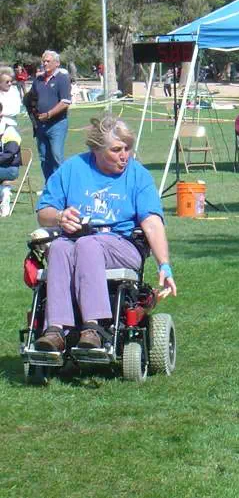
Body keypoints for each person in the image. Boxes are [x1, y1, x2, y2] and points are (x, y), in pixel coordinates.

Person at [33, 115, 177, 352]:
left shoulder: (137, 174)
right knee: (58, 247)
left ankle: (94, 327)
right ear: (96, 150)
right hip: (76, 240)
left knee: (87, 245)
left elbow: (151, 222)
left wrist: (165, 265)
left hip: (123, 244)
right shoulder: (73, 169)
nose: (125, 156)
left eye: (127, 148)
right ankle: (56, 329)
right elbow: (43, 212)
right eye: (116, 150)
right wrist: (60, 217)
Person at [31, 50, 71, 181]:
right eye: (44, 61)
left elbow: (65, 102)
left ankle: (61, 186)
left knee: (56, 156)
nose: (45, 63)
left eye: (48, 61)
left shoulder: (62, 78)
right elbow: (31, 98)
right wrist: (34, 115)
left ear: (57, 63)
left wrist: (48, 114)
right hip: (41, 125)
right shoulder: (38, 80)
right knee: (43, 157)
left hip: (57, 125)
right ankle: (49, 186)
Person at [0, 102, 21, 217]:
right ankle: (4, 192)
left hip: (11, 168)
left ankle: (4, 193)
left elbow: (10, 154)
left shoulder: (9, 131)